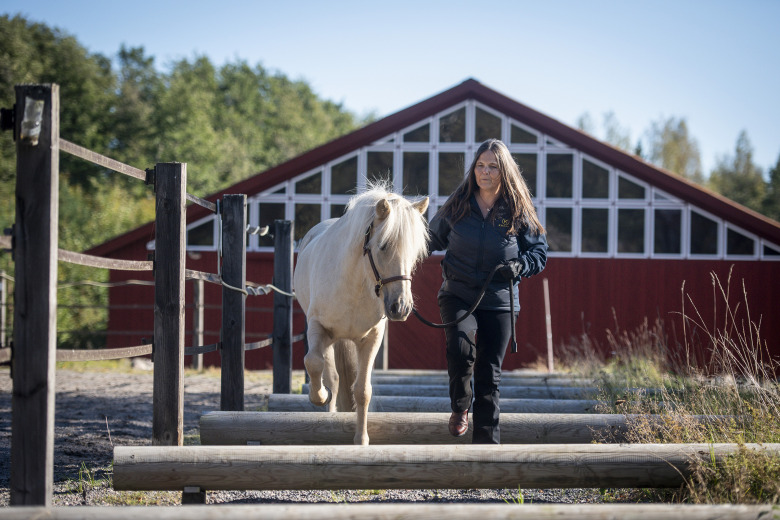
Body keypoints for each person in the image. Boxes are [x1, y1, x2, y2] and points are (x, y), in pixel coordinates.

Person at [427, 138, 548, 444]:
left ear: (504, 171)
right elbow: (429, 239)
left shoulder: (518, 208)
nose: (485, 171)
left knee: (489, 373)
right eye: (480, 165)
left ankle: (486, 450)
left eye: (492, 166)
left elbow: (539, 254)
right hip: (458, 293)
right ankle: (460, 407)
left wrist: (520, 266)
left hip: (500, 299)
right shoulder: (458, 203)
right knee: (460, 350)